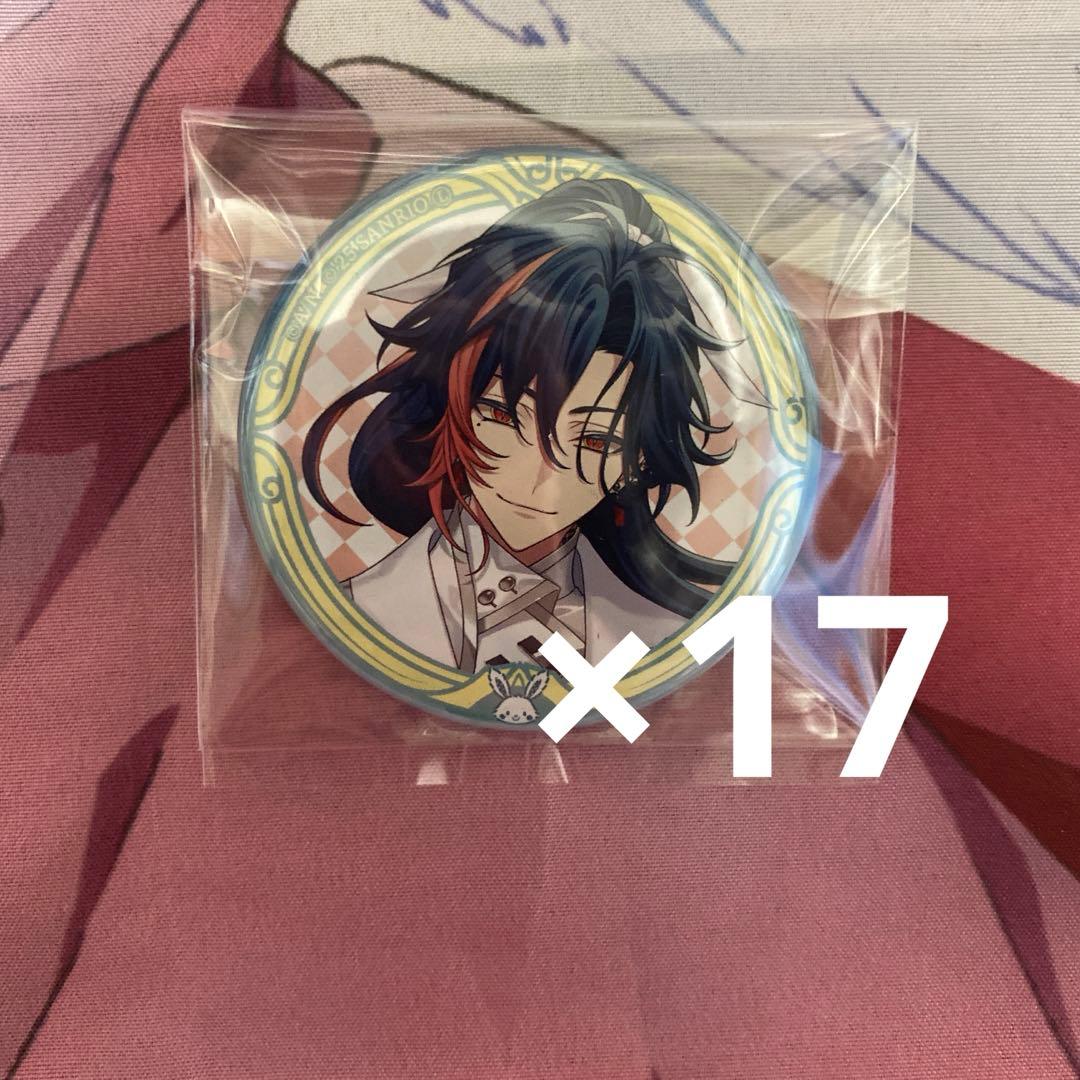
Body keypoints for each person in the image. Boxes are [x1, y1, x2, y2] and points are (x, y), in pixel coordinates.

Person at [302, 177, 768, 673]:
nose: (539, 478)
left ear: (637, 462)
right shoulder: (359, 608)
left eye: (596, 440)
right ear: (452, 408)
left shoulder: (666, 636)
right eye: (503, 415)